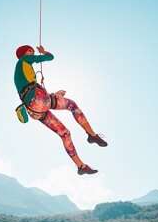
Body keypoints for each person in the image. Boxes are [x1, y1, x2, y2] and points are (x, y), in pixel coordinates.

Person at [14, 44, 107, 175]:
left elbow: (41, 100)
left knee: (65, 133)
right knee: (72, 105)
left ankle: (81, 166)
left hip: (35, 110)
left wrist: (54, 96)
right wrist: (43, 52)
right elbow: (50, 57)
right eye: (31, 51)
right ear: (25, 53)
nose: (33, 53)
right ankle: (92, 135)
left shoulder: (23, 76)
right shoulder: (23, 60)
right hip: (38, 100)